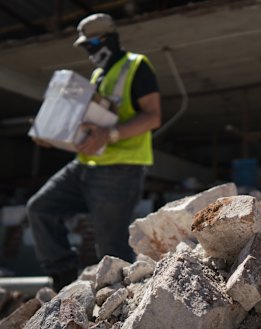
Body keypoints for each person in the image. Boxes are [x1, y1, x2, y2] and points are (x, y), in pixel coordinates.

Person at [26, 13, 161, 291]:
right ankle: (64, 280)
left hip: (120, 168)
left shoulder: (136, 66)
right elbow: (90, 122)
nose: (88, 50)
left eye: (91, 44)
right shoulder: (99, 74)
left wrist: (108, 134)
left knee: (111, 247)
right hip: (85, 165)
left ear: (108, 39)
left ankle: (124, 304)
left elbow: (152, 117)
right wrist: (54, 134)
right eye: (84, 46)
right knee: (41, 208)